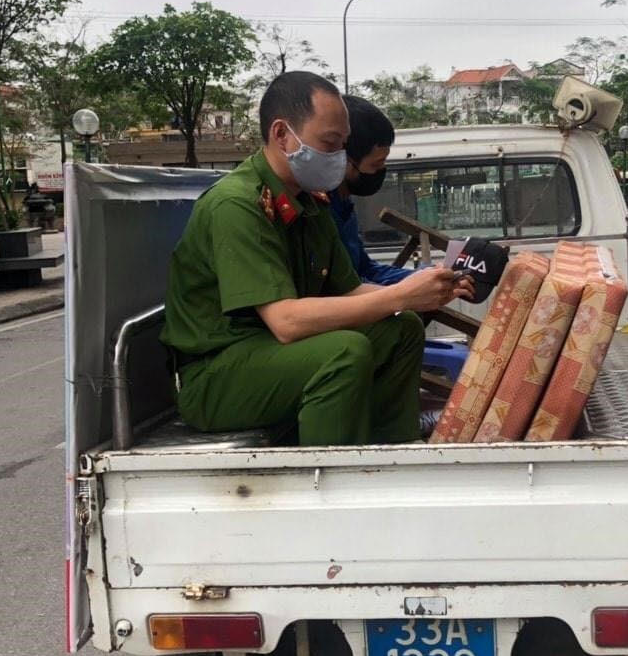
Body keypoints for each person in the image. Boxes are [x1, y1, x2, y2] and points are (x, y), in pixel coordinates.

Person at [161, 71, 471, 447]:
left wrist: (423, 291)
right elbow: (286, 322)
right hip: (216, 375)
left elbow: (350, 289)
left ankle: (389, 452)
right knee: (344, 352)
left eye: (342, 145)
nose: (338, 157)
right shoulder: (237, 205)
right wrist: (400, 295)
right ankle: (334, 477)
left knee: (402, 329)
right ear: (282, 134)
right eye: (329, 143)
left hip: (271, 355)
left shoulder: (309, 200)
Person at [328, 95, 413, 285]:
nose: (381, 170)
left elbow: (365, 268)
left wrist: (420, 276)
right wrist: (407, 290)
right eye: (376, 164)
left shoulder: (345, 206)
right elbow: (346, 287)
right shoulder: (320, 212)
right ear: (345, 160)